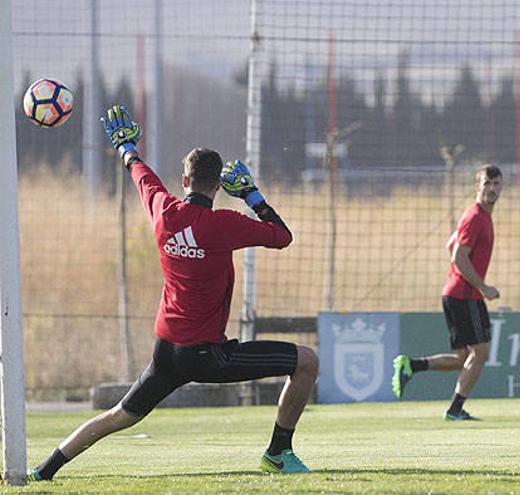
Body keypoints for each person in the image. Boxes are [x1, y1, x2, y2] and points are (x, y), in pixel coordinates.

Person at [28, 105, 317, 481]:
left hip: (166, 350)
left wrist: (125, 147)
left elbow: (139, 172)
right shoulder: (225, 225)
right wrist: (251, 194)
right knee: (307, 361)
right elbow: (282, 237)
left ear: (184, 180)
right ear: (217, 186)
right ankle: (278, 453)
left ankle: (44, 470)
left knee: (120, 415)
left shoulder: (164, 210)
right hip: (209, 355)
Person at [391, 165, 503, 421]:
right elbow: (457, 255)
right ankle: (455, 409)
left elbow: (450, 244)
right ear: (478, 186)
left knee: (462, 358)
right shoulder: (475, 216)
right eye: (487, 183)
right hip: (466, 296)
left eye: (497, 184)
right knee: (481, 353)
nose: (492, 188)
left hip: (457, 293)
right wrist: (482, 286)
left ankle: (411, 365)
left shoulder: (480, 216)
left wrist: (460, 273)